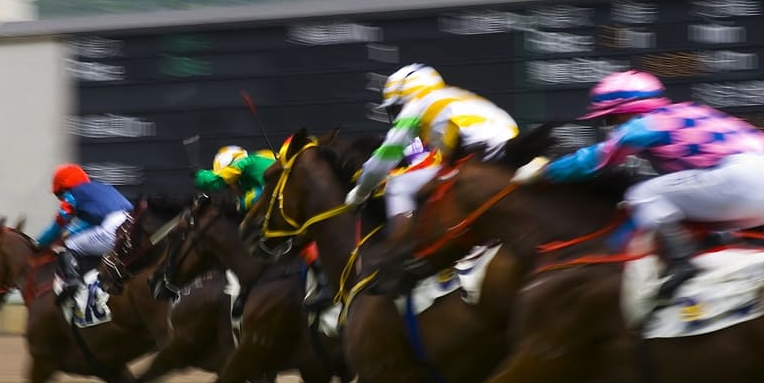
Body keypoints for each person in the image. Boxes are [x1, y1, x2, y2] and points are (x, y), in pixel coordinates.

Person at [541, 70, 764, 303]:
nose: (610, 128)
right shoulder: (688, 111)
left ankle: (681, 262)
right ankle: (721, 240)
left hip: (746, 180)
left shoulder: (648, 123)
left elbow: (598, 158)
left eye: (610, 120)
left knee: (643, 194)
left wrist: (547, 171)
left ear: (628, 111)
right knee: (681, 199)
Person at [345, 63, 520, 240]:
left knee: (399, 185)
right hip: (511, 147)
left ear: (406, 96)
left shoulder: (416, 107)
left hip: (481, 155)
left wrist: (361, 191)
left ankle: (402, 246)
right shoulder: (455, 96)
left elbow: (382, 161)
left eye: (396, 108)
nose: (397, 115)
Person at [192, 145, 332, 312]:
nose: (231, 190)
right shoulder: (254, 168)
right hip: (288, 202)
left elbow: (217, 181)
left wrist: (198, 176)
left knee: (293, 232)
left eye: (231, 186)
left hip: (297, 203)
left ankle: (323, 280)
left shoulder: (245, 162)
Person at [36, 164, 133, 300]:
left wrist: (39, 243)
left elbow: (57, 225)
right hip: (132, 225)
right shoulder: (101, 187)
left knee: (69, 245)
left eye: (59, 194)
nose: (61, 199)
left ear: (64, 188)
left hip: (112, 228)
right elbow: (88, 225)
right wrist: (70, 231)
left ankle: (73, 282)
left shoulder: (72, 195)